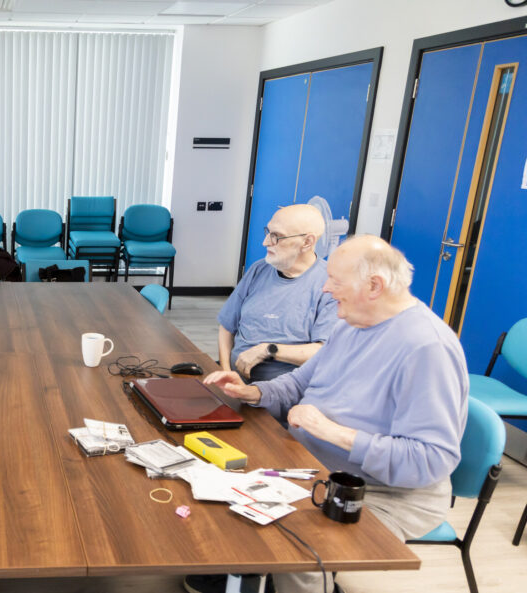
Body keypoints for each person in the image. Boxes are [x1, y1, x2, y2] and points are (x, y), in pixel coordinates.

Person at [193, 236, 468, 593]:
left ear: (374, 285)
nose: (324, 288)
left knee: (302, 547)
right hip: (312, 464)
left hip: (385, 492)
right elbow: (297, 385)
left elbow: (431, 459)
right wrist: (254, 391)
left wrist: (332, 431)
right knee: (217, 481)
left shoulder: (427, 349)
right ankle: (246, 570)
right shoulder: (352, 324)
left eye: (335, 281)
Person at [217, 204, 337, 382]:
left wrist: (268, 350)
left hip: (283, 393)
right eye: (268, 232)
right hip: (235, 381)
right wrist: (226, 372)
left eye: (277, 236)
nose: (265, 242)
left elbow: (325, 350)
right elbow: (227, 327)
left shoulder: (330, 284)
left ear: (307, 242)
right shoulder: (259, 270)